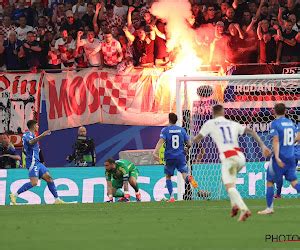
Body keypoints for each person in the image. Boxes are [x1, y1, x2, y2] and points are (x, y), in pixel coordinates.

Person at [193, 104, 271, 221]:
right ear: (223, 112)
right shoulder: (232, 123)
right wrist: (262, 145)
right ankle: (234, 206)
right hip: (240, 157)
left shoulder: (210, 123)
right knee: (231, 184)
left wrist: (188, 143)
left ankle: (244, 210)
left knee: (229, 187)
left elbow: (197, 138)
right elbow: (250, 131)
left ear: (213, 113)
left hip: (229, 158)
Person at [258, 103, 300, 215]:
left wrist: (276, 157)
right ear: (285, 111)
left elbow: (275, 140)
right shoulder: (291, 123)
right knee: (294, 182)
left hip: (280, 157)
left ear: (274, 111)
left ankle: (269, 208)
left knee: (270, 181)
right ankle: (269, 207)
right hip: (291, 157)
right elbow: (297, 137)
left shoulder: (275, 123)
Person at [9, 120, 64, 205]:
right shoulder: (27, 135)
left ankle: (57, 199)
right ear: (34, 126)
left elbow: (34, 149)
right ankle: (14, 195)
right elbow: (30, 142)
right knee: (34, 183)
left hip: (37, 162)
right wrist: (42, 135)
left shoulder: (33, 135)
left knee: (49, 178)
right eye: (37, 125)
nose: (38, 127)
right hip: (32, 162)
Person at [153, 113, 198, 203]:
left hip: (169, 157)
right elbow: (189, 143)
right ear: (176, 120)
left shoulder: (165, 130)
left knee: (168, 177)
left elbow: (160, 142)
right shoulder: (182, 130)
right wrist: (186, 148)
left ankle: (172, 197)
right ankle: (189, 178)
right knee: (184, 173)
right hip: (180, 156)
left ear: (169, 119)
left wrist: (155, 152)